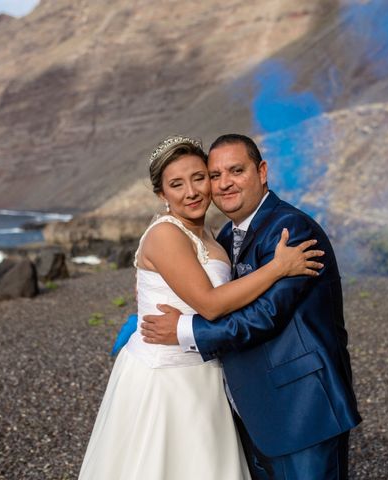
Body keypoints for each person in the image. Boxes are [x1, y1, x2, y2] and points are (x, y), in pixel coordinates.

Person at [78, 135, 324, 480]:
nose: (192, 191)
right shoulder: (166, 234)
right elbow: (209, 305)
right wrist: (278, 268)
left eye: (199, 178)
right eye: (176, 184)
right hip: (166, 378)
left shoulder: (214, 234)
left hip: (206, 373)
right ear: (162, 195)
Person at [142, 134, 362, 480]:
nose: (224, 183)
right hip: (252, 408)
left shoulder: (291, 229)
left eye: (236, 170)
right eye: (215, 175)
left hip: (302, 408)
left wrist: (185, 330)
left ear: (261, 171)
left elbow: (266, 315)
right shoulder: (225, 238)